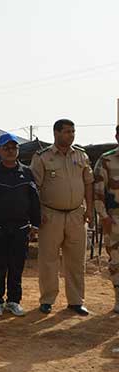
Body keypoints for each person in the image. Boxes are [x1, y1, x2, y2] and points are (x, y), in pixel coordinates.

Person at [30, 119, 94, 316]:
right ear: (56, 133)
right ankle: (47, 299)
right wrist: (37, 214)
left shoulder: (81, 156)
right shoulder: (42, 157)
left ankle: (76, 301)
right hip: (51, 215)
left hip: (76, 214)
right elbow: (34, 189)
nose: (71, 135)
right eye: (67, 132)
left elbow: (89, 183)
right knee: (48, 260)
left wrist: (89, 209)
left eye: (73, 131)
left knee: (76, 260)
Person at [0, 134, 40, 317]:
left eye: (14, 148)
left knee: (16, 266)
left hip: (21, 228)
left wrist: (35, 224)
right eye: (6, 148)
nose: (10, 151)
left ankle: (14, 301)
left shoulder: (27, 172)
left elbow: (35, 200)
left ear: (18, 151)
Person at [94, 125, 119, 313]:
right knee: (116, 261)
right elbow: (97, 193)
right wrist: (104, 217)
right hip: (115, 219)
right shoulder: (106, 160)